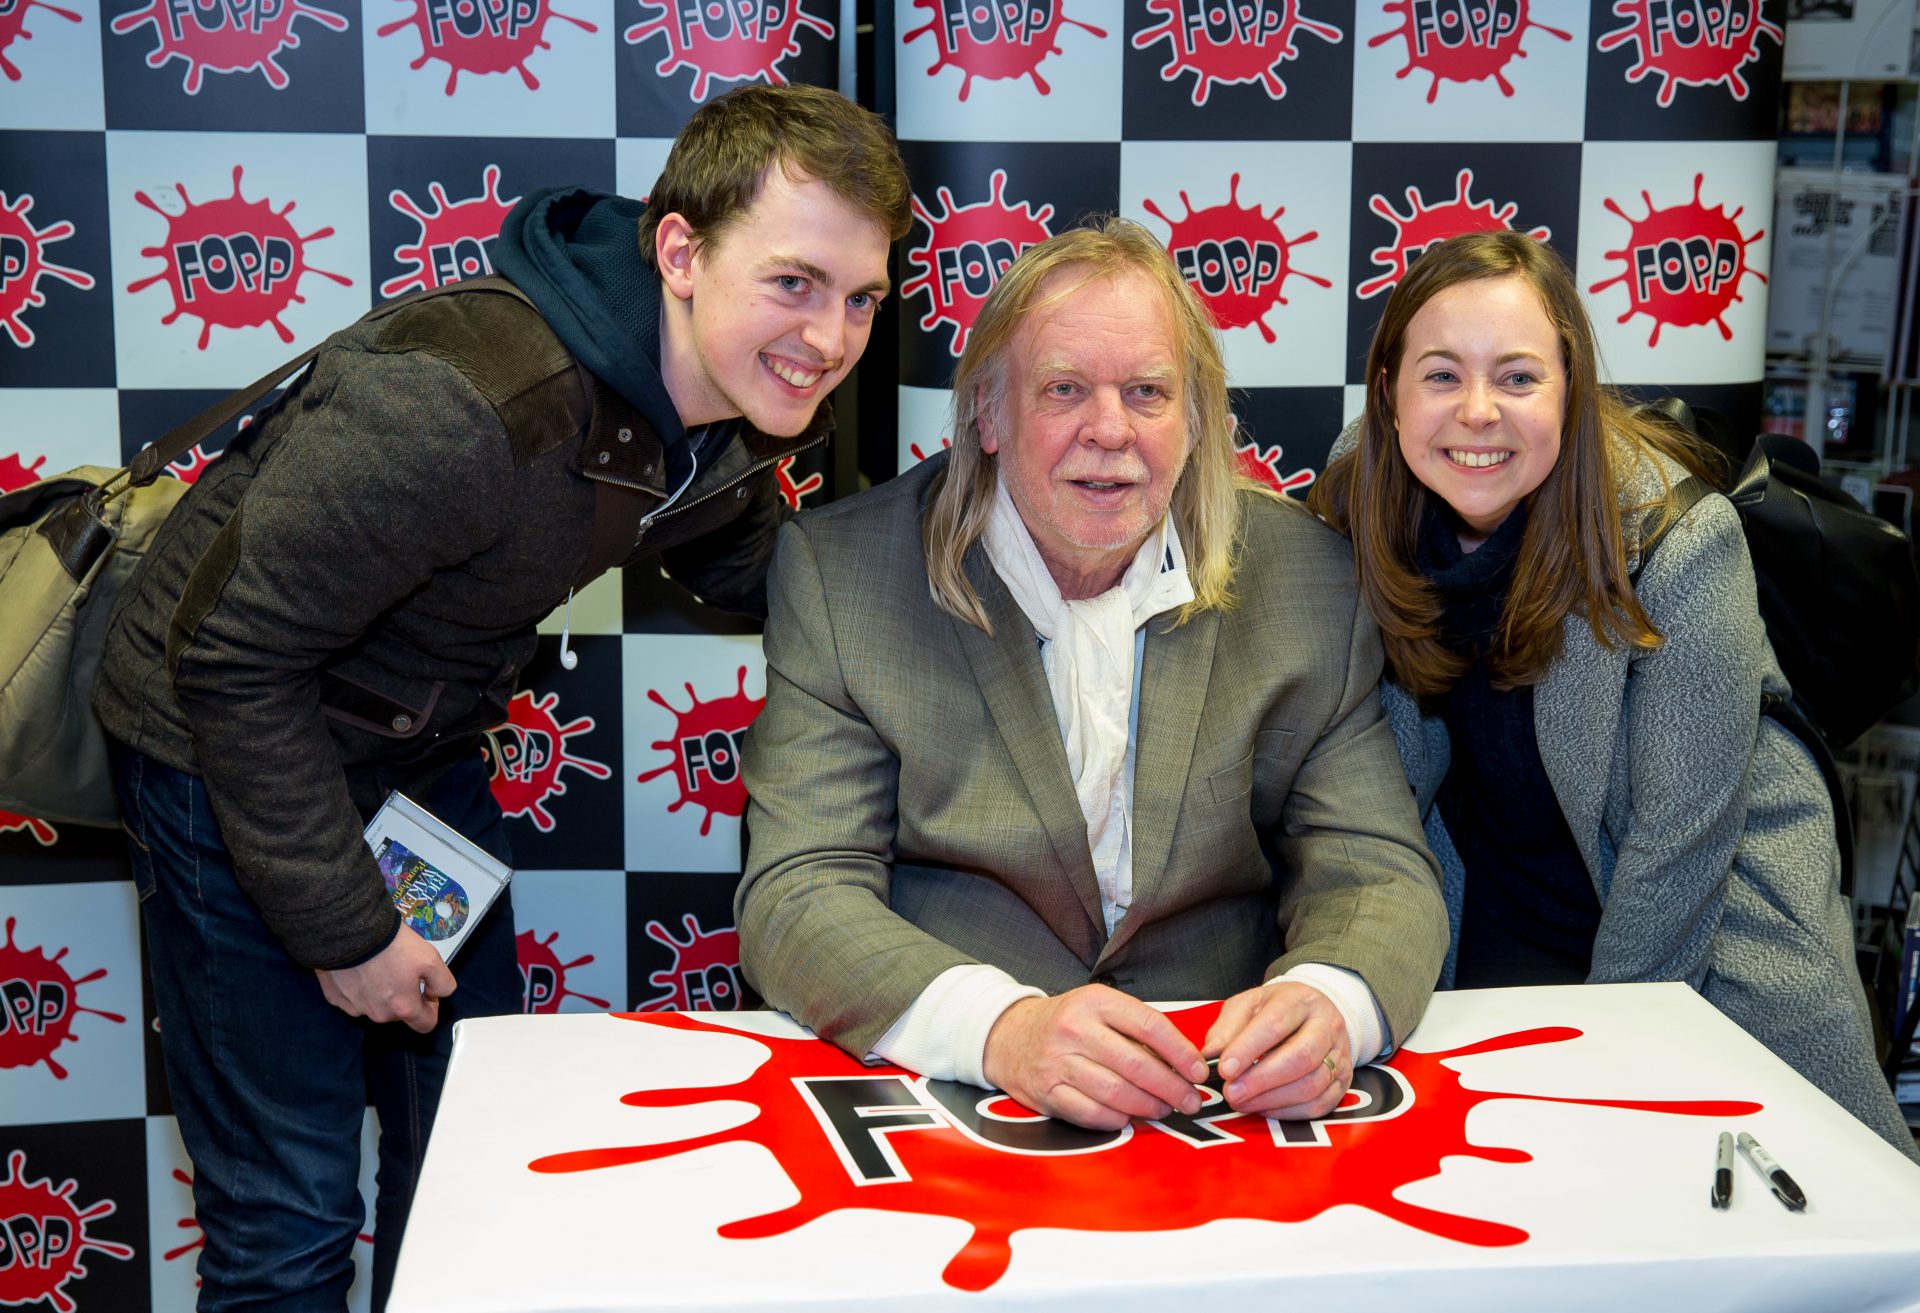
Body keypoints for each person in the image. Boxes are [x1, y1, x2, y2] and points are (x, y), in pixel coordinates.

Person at [93, 84, 911, 1311]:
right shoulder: (462, 401)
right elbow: (230, 660)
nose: (831, 338)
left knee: (467, 1159)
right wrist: (347, 931)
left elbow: (755, 566)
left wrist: (973, 566)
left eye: (861, 298)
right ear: (680, 252)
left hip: (416, 754)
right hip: (229, 754)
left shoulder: (730, 397)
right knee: (291, 1214)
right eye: (794, 282)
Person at [736, 218, 1448, 1134]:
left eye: (1147, 392)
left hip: (1222, 1101)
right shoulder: (844, 577)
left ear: (1195, 418)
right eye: (1064, 389)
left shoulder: (1310, 580)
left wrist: (1332, 1001)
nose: (1110, 431)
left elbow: (1377, 871)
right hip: (948, 1093)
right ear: (989, 413)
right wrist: (1002, 1030)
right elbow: (798, 890)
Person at [1309, 230, 1917, 1158]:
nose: (1478, 412)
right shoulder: (1361, 489)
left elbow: (1678, 851)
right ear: (1389, 393)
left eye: (1518, 377)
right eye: (1441, 376)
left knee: (1798, 1195)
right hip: (1488, 899)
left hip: (1696, 914)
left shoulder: (1678, 539)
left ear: (1571, 389)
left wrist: (1603, 1080)